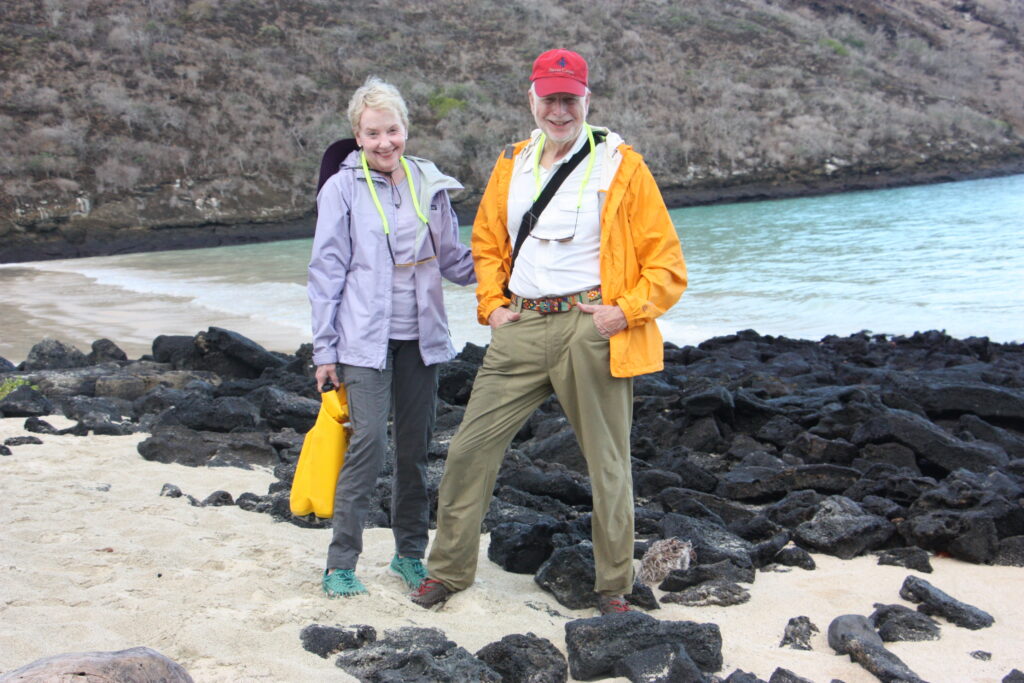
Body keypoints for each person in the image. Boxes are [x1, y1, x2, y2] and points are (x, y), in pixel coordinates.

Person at [411, 49, 687, 615]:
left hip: (591, 326)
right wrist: (492, 305)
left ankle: (613, 588)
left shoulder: (622, 165)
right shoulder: (511, 163)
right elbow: (486, 242)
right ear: (531, 100)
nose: (559, 110)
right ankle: (448, 572)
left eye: (570, 99)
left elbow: (668, 265)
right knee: (467, 452)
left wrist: (624, 311)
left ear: (587, 100)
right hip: (522, 325)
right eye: (549, 98)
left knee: (608, 464)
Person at [308, 76, 475, 598]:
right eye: (373, 132)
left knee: (414, 452)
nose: (385, 142)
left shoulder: (428, 182)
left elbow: (454, 260)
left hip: (421, 339)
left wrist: (516, 273)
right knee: (369, 446)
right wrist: (324, 351)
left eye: (393, 130)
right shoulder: (341, 188)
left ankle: (407, 556)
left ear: (406, 129)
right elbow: (326, 271)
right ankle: (341, 563)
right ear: (357, 135)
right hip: (362, 341)